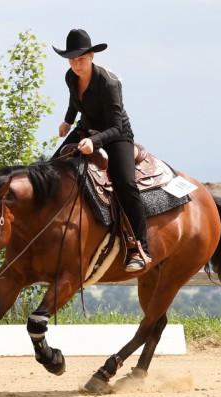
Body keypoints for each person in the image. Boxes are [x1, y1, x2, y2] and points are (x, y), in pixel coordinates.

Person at [52, 29, 151, 272]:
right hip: (86, 129)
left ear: (92, 56)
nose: (76, 63)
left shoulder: (109, 83)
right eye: (72, 59)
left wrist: (94, 143)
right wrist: (67, 120)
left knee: (125, 183)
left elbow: (117, 127)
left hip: (116, 135)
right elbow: (74, 101)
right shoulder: (70, 76)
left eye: (81, 59)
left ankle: (140, 247)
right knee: (51, 168)